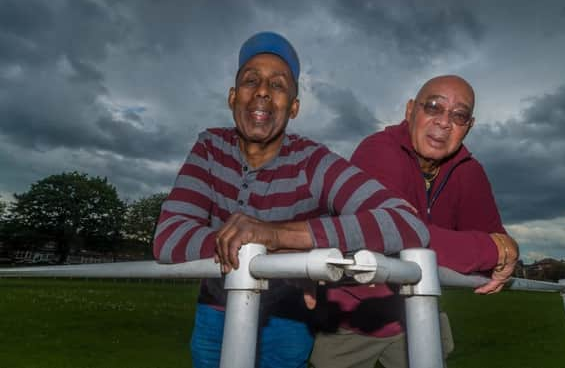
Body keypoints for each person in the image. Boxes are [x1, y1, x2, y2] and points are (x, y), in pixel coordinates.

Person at [152, 31, 430, 368]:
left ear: (294, 107)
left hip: (288, 320)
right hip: (215, 313)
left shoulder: (312, 161)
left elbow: (406, 223)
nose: (263, 91)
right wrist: (272, 252)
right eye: (250, 80)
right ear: (232, 97)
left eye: (279, 85)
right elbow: (168, 238)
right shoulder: (209, 147)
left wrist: (278, 236)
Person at [310, 75, 519, 368]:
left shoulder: (469, 171)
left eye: (459, 115)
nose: (444, 122)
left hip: (420, 313)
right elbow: (395, 237)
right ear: (410, 111)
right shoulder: (378, 150)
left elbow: (495, 246)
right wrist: (497, 250)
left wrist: (502, 250)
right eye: (433, 107)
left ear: (468, 127)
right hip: (353, 318)